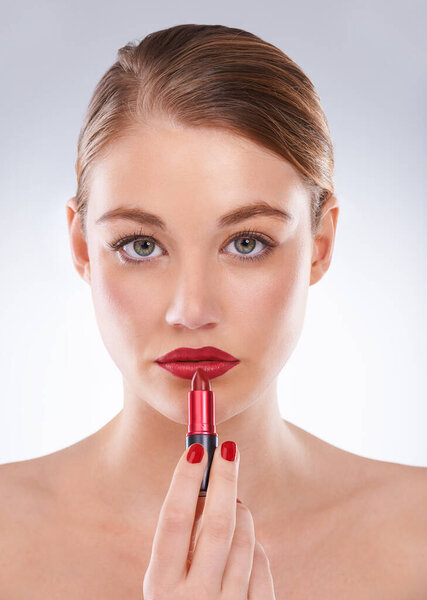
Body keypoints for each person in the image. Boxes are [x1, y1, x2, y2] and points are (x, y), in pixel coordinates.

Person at [1, 23, 426, 599]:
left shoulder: (415, 539)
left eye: (247, 242)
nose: (192, 310)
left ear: (320, 244)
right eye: (141, 245)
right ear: (82, 248)